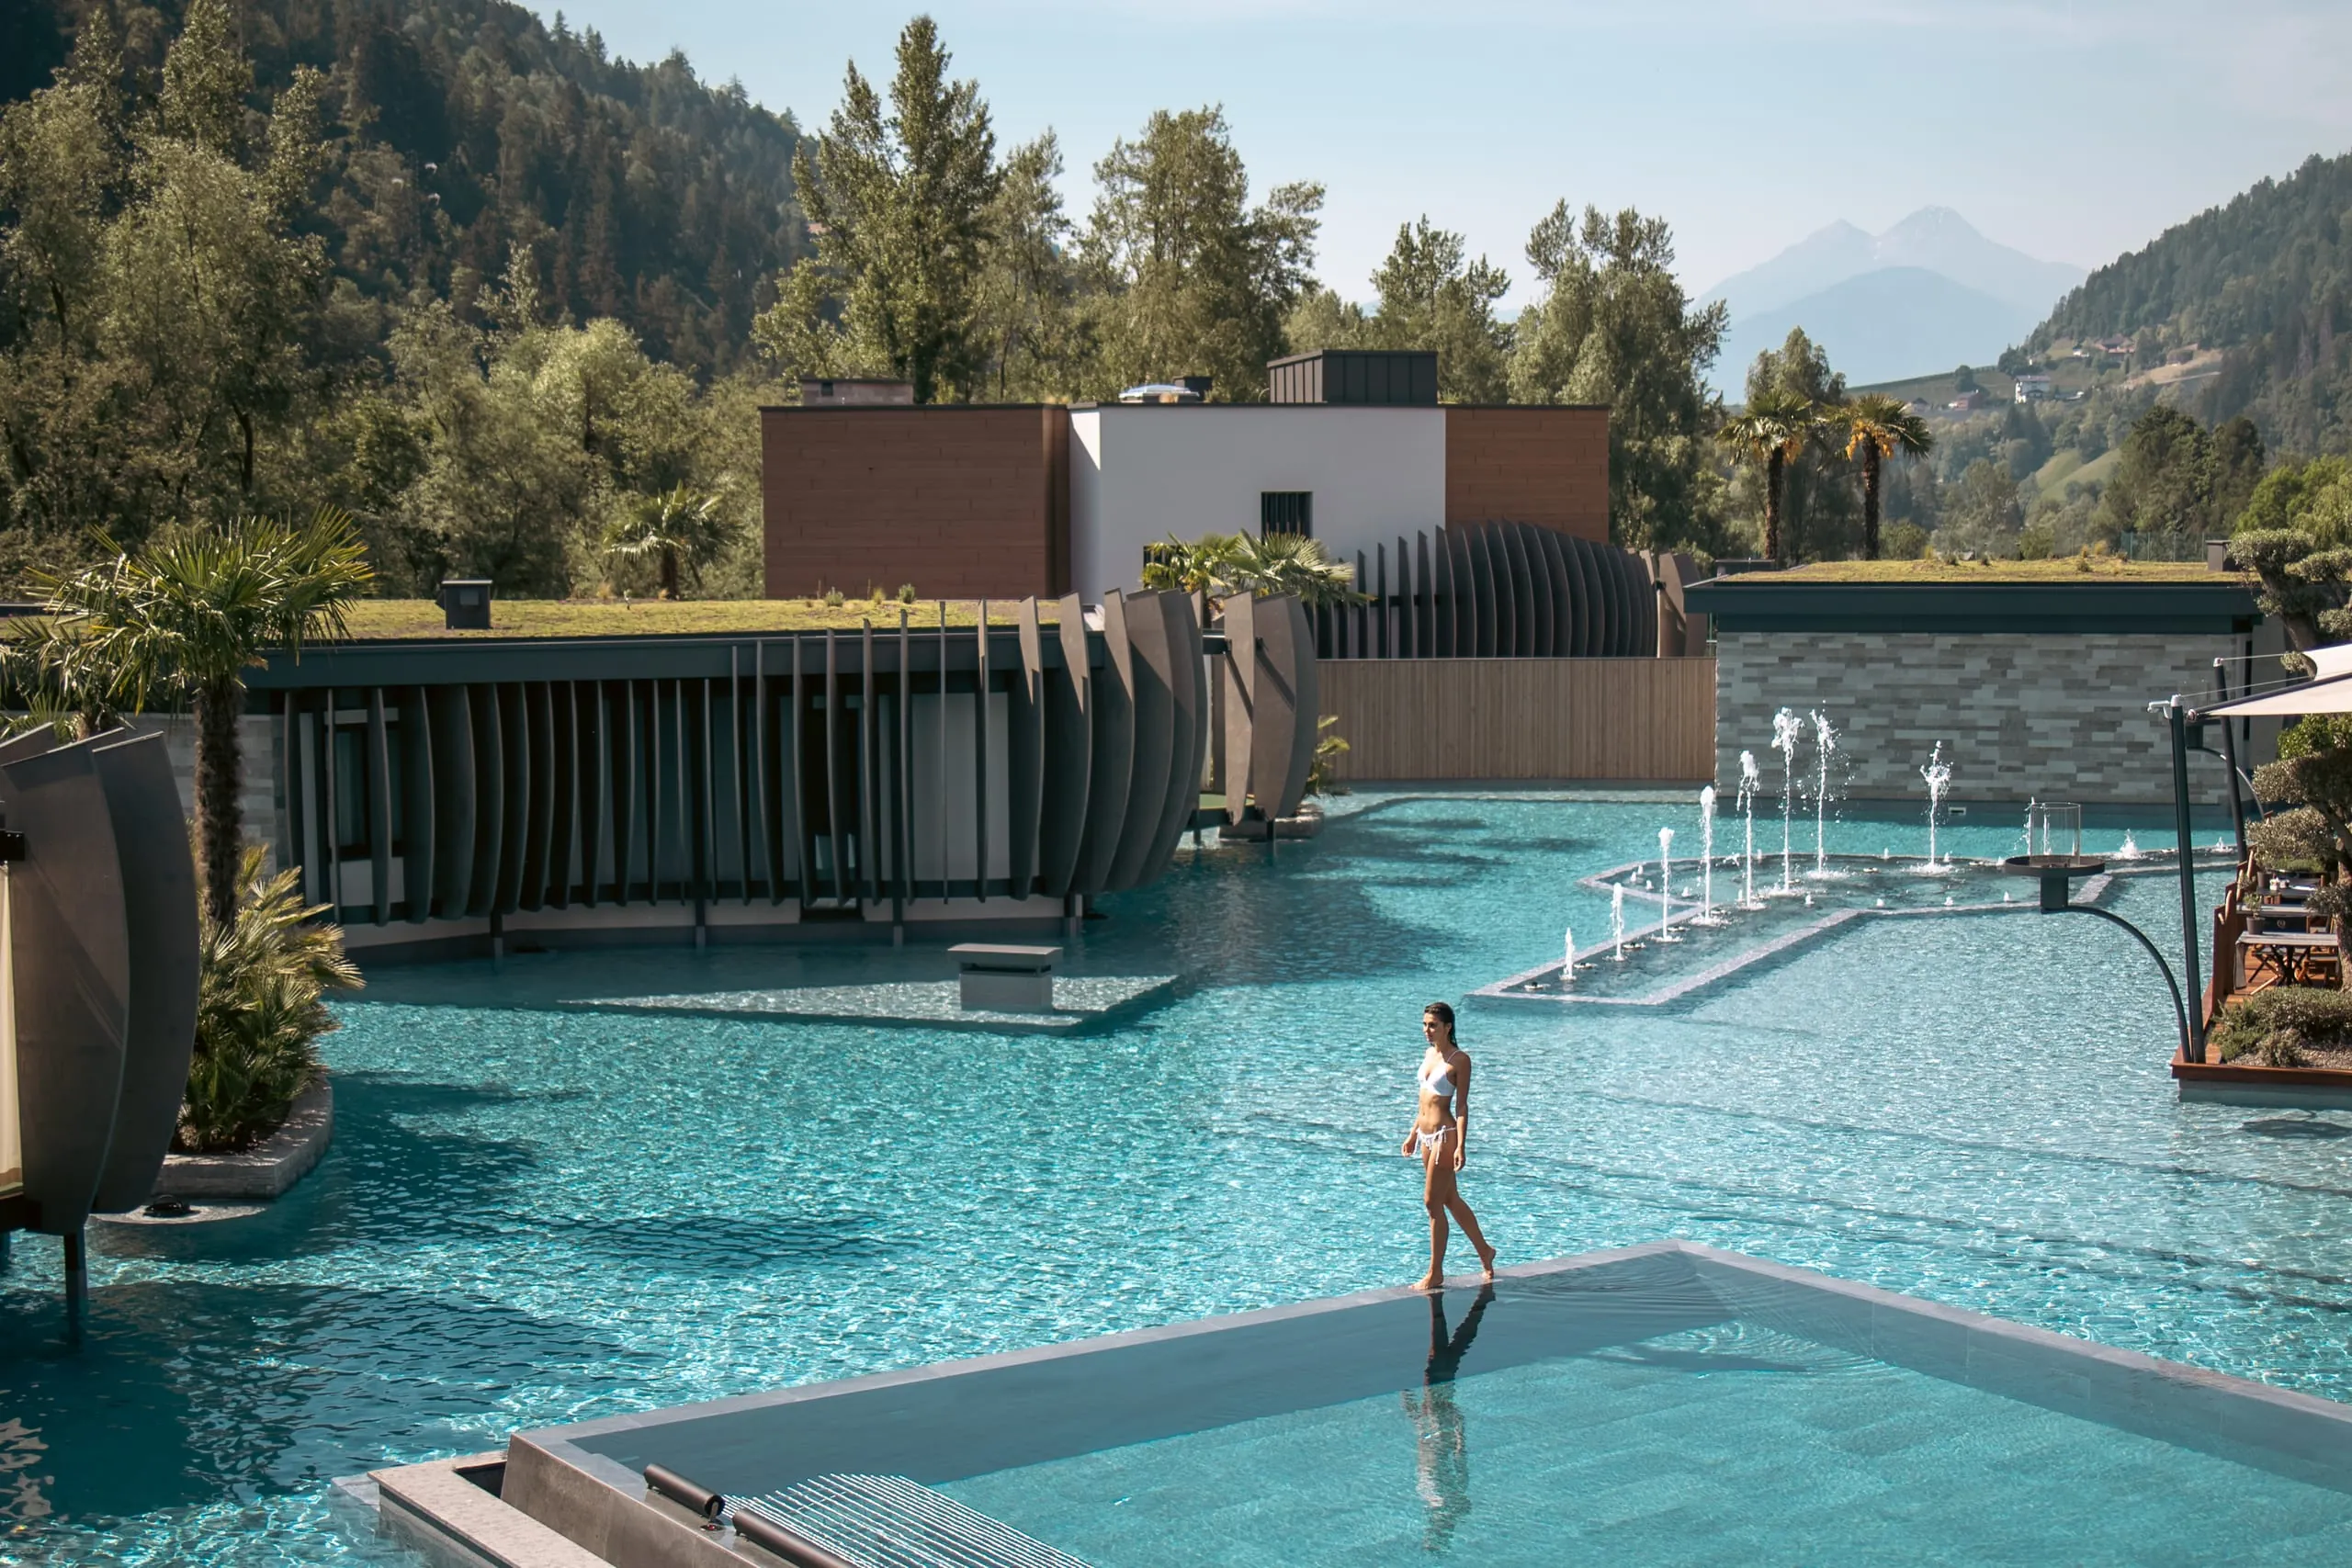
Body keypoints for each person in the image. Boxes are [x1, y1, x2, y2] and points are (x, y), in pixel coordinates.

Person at [1402, 1001, 1495, 1290]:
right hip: (1427, 1137)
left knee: (1431, 1203)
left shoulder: (1460, 1060)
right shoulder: (1429, 1054)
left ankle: (1435, 1273)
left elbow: (1463, 1106)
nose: (1427, 1030)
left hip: (1445, 1136)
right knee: (1450, 1200)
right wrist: (1414, 1133)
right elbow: (1423, 1102)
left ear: (1448, 1027)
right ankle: (1485, 1251)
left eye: (1433, 1025)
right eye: (1425, 1024)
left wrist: (1461, 1146)